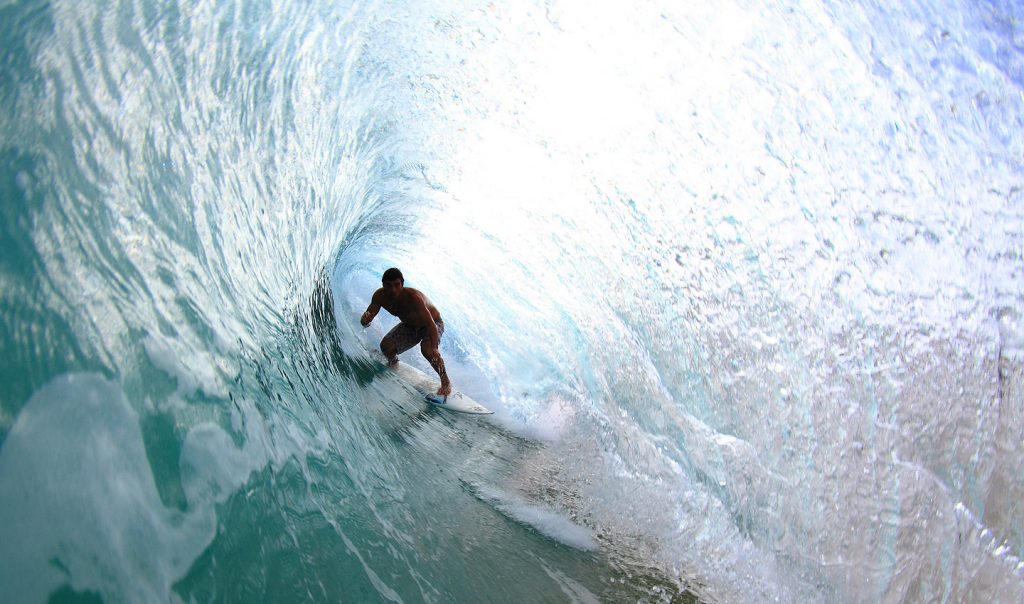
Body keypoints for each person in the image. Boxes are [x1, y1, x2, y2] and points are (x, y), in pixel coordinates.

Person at [361, 268, 451, 396]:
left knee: (427, 350)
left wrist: (434, 347)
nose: (393, 290)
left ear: (402, 284)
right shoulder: (379, 296)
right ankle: (393, 363)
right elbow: (368, 316)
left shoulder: (414, 298)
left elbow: (431, 324)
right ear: (383, 284)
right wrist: (365, 320)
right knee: (386, 347)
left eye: (397, 285)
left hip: (432, 324)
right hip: (410, 326)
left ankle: (445, 382)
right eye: (389, 285)